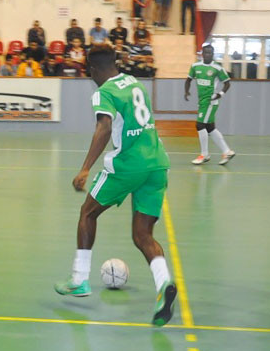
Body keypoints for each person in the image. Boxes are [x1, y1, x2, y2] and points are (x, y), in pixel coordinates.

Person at [54, 46, 177, 327]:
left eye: (88, 72)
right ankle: (164, 283)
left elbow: (105, 128)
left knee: (88, 213)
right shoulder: (134, 81)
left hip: (128, 165)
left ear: (94, 70)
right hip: (158, 163)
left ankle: (79, 279)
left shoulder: (104, 92)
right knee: (142, 234)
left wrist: (85, 168)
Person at [184, 44, 235, 165]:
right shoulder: (195, 66)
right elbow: (188, 79)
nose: (208, 55)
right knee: (210, 128)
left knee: (200, 125)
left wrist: (220, 94)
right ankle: (227, 151)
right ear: (202, 53)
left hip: (210, 101)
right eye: (206, 53)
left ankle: (204, 154)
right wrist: (186, 91)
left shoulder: (217, 68)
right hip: (202, 101)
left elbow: (227, 83)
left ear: (213, 54)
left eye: (210, 53)